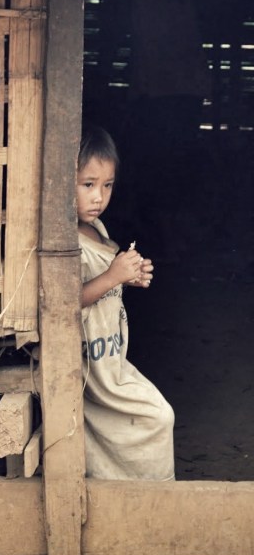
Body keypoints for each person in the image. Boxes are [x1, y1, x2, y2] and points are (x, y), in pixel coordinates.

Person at [76, 126, 175, 480]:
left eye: (107, 185)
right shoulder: (63, 241)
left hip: (111, 360)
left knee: (145, 421)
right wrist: (111, 277)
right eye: (88, 184)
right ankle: (149, 497)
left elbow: (104, 281)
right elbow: (64, 300)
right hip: (88, 367)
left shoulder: (97, 229)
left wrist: (127, 276)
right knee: (158, 416)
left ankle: (135, 499)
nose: (99, 197)